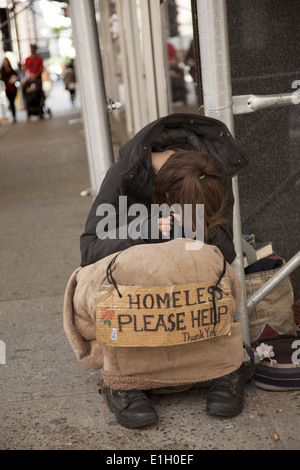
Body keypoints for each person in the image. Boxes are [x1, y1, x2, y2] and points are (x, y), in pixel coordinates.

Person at [78, 113, 250, 428]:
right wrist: (142, 229)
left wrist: (197, 233)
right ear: (168, 197)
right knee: (95, 283)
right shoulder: (123, 175)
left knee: (218, 271)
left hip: (182, 279)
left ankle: (227, 368)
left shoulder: (211, 173)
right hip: (131, 279)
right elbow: (88, 251)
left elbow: (224, 252)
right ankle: (122, 380)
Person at [0, 57, 18, 123]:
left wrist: (14, 79)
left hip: (13, 88)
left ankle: (14, 116)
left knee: (12, 102)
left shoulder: (12, 70)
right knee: (11, 102)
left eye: (6, 61)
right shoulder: (2, 71)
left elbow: (16, 77)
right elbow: (1, 80)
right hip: (7, 89)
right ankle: (13, 115)